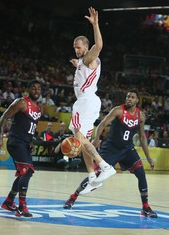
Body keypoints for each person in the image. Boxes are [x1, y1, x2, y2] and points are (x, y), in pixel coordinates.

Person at [64, 90, 157, 218]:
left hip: (127, 149)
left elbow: (142, 137)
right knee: (95, 175)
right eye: (128, 96)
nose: (129, 99)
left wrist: (149, 158)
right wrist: (96, 140)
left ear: (137, 101)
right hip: (111, 148)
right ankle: (73, 197)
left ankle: (145, 208)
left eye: (132, 97)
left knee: (141, 173)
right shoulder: (118, 110)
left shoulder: (140, 116)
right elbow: (102, 124)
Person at [69, 7, 115, 193]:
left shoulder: (89, 58)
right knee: (83, 141)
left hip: (85, 102)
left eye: (78, 47)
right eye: (74, 47)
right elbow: (80, 65)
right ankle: (92, 177)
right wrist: (75, 62)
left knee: (78, 138)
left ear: (86, 48)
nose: (76, 49)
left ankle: (105, 166)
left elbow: (99, 46)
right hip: (88, 102)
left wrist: (96, 25)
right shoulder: (82, 61)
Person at [0, 81, 42, 217]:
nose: (36, 90)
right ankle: (21, 207)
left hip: (25, 143)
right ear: (28, 90)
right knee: (28, 171)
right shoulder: (21, 102)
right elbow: (4, 117)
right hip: (15, 142)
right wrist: (0, 137)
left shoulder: (39, 107)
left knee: (23, 173)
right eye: (33, 88)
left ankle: (8, 202)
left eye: (39, 88)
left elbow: (31, 127)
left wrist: (30, 141)